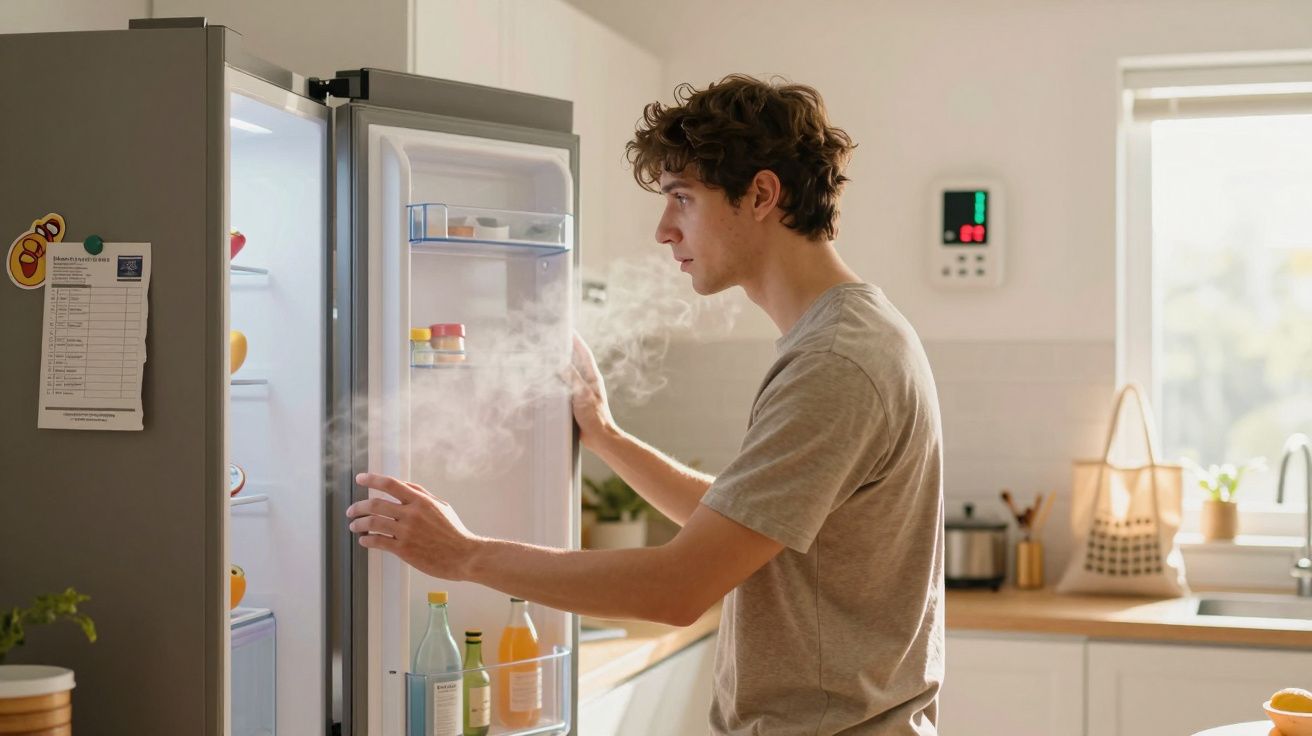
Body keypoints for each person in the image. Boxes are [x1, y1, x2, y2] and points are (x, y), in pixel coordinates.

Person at [347, 74, 944, 735]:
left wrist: (466, 556)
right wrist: (603, 435)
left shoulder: (834, 362)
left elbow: (678, 588)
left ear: (761, 195)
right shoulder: (850, 334)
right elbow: (742, 524)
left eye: (682, 199)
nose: (665, 230)